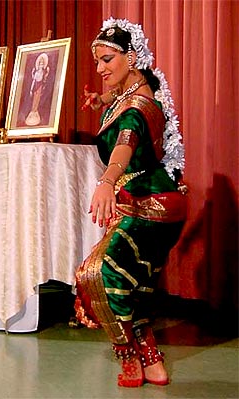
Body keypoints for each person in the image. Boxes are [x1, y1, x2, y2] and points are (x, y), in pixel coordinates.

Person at [74, 18, 187, 388]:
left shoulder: (137, 107)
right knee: (133, 285)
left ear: (132, 57)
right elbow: (119, 102)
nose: (101, 68)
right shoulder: (135, 88)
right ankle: (152, 359)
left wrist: (107, 181)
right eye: (98, 62)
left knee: (95, 274)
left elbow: (126, 140)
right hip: (162, 204)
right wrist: (100, 100)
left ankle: (130, 355)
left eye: (108, 60)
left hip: (148, 204)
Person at [24, 52, 50, 126]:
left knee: (37, 99)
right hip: (35, 87)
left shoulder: (43, 72)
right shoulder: (36, 73)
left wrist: (47, 73)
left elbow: (44, 80)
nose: (41, 63)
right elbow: (34, 80)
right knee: (34, 99)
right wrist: (31, 89)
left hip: (39, 87)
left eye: (42, 62)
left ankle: (35, 110)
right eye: (40, 62)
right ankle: (33, 110)